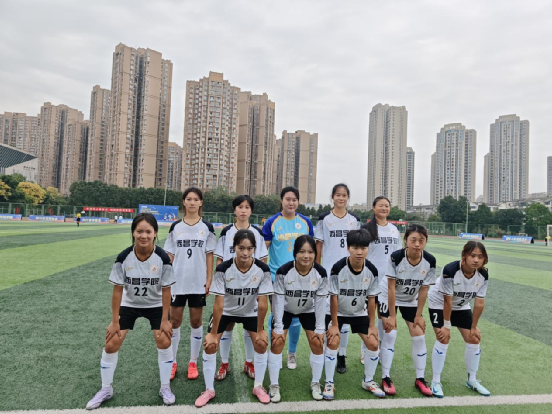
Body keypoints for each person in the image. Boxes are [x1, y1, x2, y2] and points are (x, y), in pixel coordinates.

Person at [85, 213, 176, 410]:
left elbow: (167, 290)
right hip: (130, 304)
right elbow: (117, 291)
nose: (144, 235)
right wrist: (114, 321)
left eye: (148, 232)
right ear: (133, 232)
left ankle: (165, 387)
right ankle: (106, 388)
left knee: (164, 340)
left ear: (155, 233)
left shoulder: (162, 258)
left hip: (155, 305)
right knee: (111, 343)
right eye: (139, 231)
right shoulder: (123, 257)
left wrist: (165, 319)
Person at [195, 230, 273, 407]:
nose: (245, 252)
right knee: (210, 345)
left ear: (254, 249)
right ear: (234, 248)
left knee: (261, 343)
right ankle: (209, 389)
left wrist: (260, 330)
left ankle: (258, 386)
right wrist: (213, 333)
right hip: (226, 311)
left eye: (250, 249)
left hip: (250, 312)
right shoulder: (223, 269)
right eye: (241, 248)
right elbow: (218, 304)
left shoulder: (263, 269)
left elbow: (262, 303)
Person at [323, 229, 384, 400]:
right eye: (355, 247)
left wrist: (372, 325)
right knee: (333, 341)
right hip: (337, 311)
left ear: (368, 249)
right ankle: (329, 382)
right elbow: (333, 298)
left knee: (373, 343)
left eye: (363, 248)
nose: (359, 252)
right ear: (348, 248)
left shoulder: (372, 270)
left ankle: (368, 380)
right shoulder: (338, 268)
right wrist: (334, 325)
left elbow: (371, 299)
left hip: (358, 312)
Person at [163, 187, 216, 381]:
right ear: (183, 202)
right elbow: (169, 255)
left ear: (201, 203)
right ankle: (172, 361)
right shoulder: (175, 227)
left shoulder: (207, 227)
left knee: (196, 322)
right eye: (188, 199)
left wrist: (209, 279)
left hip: (197, 282)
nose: (192, 202)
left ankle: (193, 362)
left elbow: (209, 255)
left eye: (195, 199)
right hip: (177, 282)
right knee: (175, 322)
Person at [213, 195, 268, 381]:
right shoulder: (226, 232)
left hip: (250, 287)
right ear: (234, 210)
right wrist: (219, 284)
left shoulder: (257, 233)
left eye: (247, 207)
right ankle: (224, 363)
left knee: (250, 324)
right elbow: (220, 260)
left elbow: (263, 260)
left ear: (251, 210)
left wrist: (259, 287)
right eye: (240, 207)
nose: (243, 210)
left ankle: (249, 362)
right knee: (227, 324)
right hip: (229, 287)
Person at [427, 240, 491, 398]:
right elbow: (447, 301)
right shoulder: (450, 270)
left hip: (461, 305)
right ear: (464, 255)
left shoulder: (483, 275)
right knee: (443, 338)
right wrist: (446, 326)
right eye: (472, 255)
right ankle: (435, 381)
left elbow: (479, 303)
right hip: (439, 303)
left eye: (480, 257)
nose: (476, 260)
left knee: (474, 338)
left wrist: (474, 326)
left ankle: (472, 380)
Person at [268, 235, 328, 402]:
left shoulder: (320, 273)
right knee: (277, 342)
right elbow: (278, 301)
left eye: (310, 252)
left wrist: (320, 328)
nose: (306, 256)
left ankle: (315, 382)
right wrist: (278, 327)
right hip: (286, 309)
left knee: (317, 343)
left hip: (308, 309)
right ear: (295, 253)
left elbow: (320, 302)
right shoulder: (283, 271)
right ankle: (274, 384)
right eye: (302, 252)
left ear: (315, 254)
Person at [379, 224, 435, 396]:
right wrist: (392, 316)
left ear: (426, 241)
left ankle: (420, 378)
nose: (417, 244)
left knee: (419, 335)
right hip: (388, 295)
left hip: (410, 300)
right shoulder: (396, 257)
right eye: (413, 240)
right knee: (391, 333)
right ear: (406, 240)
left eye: (421, 240)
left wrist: (419, 315)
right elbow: (391, 288)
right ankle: (386, 377)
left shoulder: (430, 260)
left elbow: (424, 289)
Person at [262, 186, 314, 370]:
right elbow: (263, 251)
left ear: (298, 202)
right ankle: (274, 351)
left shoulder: (306, 222)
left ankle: (291, 353)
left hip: (301, 278)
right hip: (277, 278)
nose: (291, 203)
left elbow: (311, 251)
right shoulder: (272, 222)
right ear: (282, 201)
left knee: (296, 317)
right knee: (276, 315)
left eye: (294, 200)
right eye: (288, 199)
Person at [314, 183, 360, 374]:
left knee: (345, 316)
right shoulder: (324, 218)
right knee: (327, 315)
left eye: (344, 195)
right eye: (338, 195)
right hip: (328, 272)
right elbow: (318, 246)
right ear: (332, 197)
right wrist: (317, 268)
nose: (341, 198)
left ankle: (341, 354)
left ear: (348, 198)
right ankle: (328, 351)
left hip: (348, 273)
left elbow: (357, 246)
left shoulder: (354, 220)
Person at [360, 196, 401, 363]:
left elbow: (399, 255)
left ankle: (381, 351)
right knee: (368, 317)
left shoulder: (394, 229)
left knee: (383, 317)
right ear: (373, 207)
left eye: (387, 206)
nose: (384, 208)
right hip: (369, 279)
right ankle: (366, 351)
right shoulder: (366, 229)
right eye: (381, 205)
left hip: (388, 282)